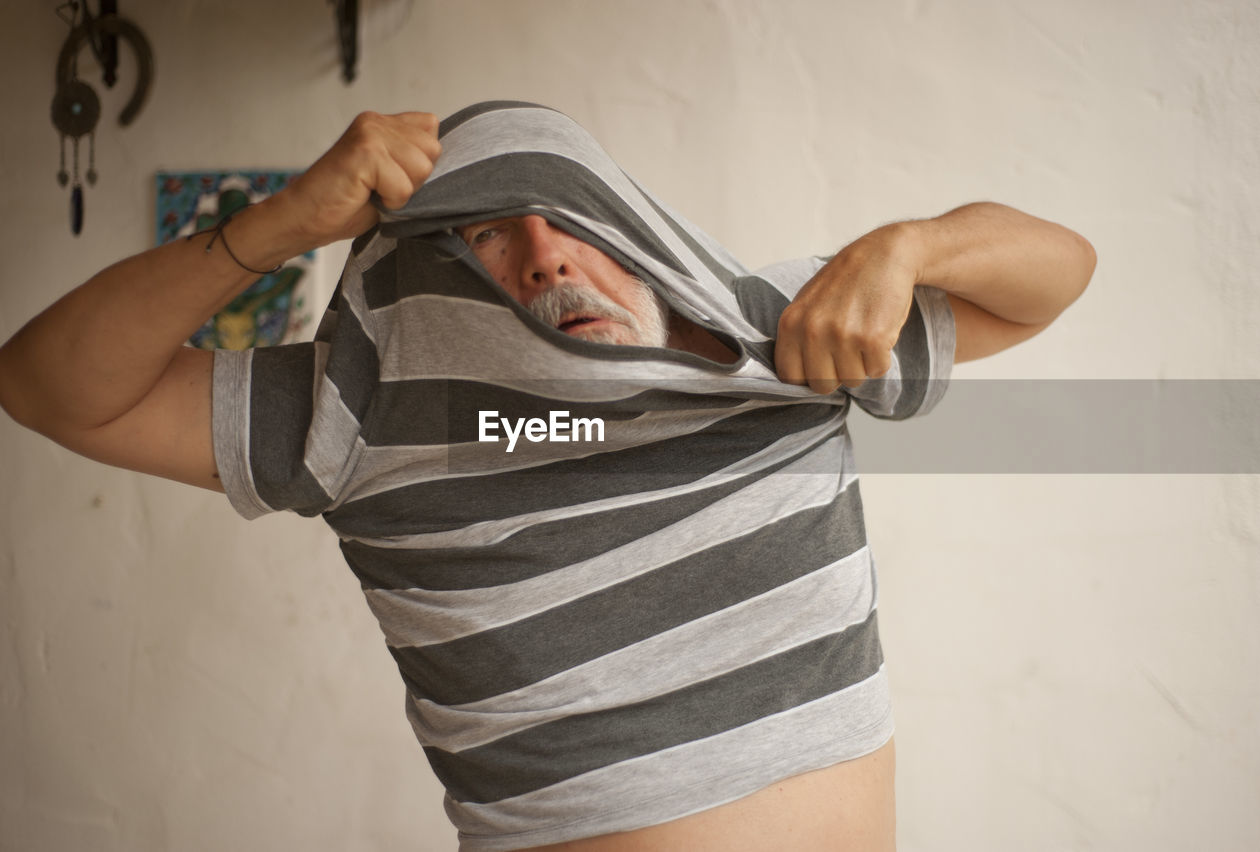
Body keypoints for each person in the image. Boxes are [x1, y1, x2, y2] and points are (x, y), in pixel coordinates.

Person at [0, 102, 1095, 851]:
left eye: (574, 220)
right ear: (436, 274)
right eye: (486, 231)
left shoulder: (780, 331)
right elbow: (48, 386)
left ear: (635, 228)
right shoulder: (368, 413)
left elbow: (1055, 275)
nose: (544, 252)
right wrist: (281, 224)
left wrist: (911, 244)